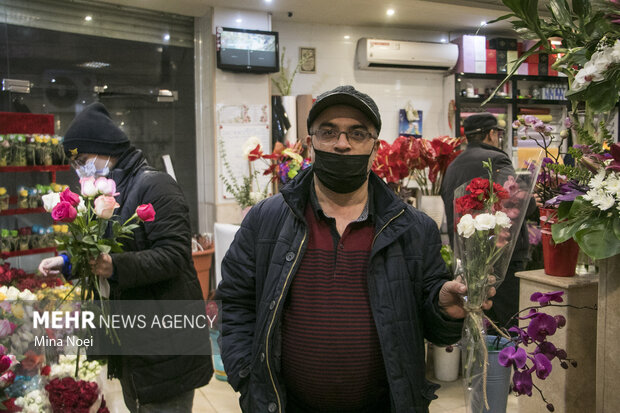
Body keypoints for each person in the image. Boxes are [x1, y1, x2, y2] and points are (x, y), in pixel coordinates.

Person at [217, 85, 495, 413]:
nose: (342, 143)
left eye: (357, 133)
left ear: (375, 148)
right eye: (328, 132)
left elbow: (428, 320)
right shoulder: (266, 221)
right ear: (310, 145)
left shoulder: (415, 229)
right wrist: (247, 377)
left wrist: (444, 309)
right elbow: (234, 303)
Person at [38, 102, 213, 412]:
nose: (80, 170)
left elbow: (174, 256)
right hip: (136, 340)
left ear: (104, 149)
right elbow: (105, 251)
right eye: (75, 163)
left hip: (165, 342)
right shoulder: (113, 192)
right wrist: (67, 262)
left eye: (81, 160)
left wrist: (114, 267)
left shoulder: (155, 186)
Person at [440, 112, 533, 328]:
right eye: (497, 134)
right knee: (506, 324)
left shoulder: (453, 166)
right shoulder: (497, 158)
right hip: (500, 259)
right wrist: (534, 202)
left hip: (467, 259)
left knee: (475, 321)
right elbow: (515, 202)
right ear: (491, 134)